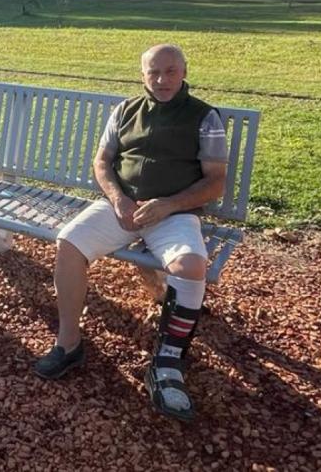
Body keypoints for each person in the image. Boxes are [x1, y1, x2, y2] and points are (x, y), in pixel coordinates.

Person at [33, 44, 227, 422]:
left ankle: (168, 365)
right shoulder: (124, 111)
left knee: (190, 266)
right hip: (122, 208)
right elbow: (102, 162)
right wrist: (118, 199)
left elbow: (216, 182)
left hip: (174, 213)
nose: (162, 79)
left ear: (184, 71)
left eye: (170, 71)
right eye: (153, 72)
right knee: (69, 243)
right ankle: (68, 343)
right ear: (142, 75)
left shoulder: (205, 117)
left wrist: (169, 204)